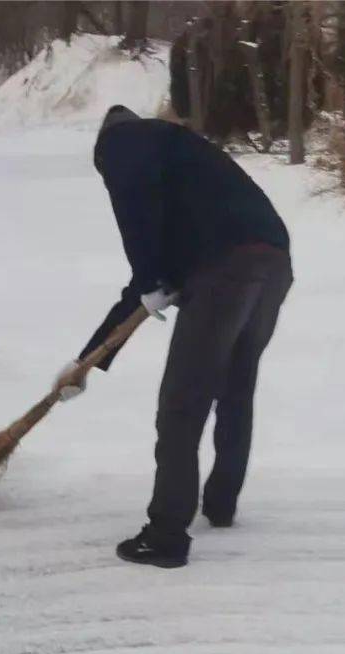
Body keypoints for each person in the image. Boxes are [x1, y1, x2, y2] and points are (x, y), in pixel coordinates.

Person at [54, 105, 293, 569]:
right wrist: (88, 361)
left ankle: (166, 535)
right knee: (235, 387)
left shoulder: (122, 145)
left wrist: (150, 276)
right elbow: (145, 283)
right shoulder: (180, 155)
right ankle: (221, 504)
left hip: (226, 268)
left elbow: (141, 241)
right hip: (274, 259)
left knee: (181, 405)